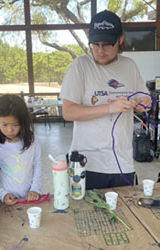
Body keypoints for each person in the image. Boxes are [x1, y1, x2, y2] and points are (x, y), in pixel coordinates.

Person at [60, 10, 152, 190]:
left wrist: (144, 104)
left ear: (120, 39)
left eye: (107, 45)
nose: (100, 51)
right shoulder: (81, 66)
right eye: (95, 45)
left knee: (126, 214)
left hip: (122, 162)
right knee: (88, 216)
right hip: (88, 162)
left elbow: (143, 100)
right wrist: (110, 108)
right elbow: (68, 112)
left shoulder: (129, 66)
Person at [0, 94, 43, 206]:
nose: (10, 130)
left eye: (16, 124)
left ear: (24, 121)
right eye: (4, 124)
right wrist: (2, 194)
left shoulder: (32, 139)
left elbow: (38, 165)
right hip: (3, 202)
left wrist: (35, 189)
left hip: (29, 198)